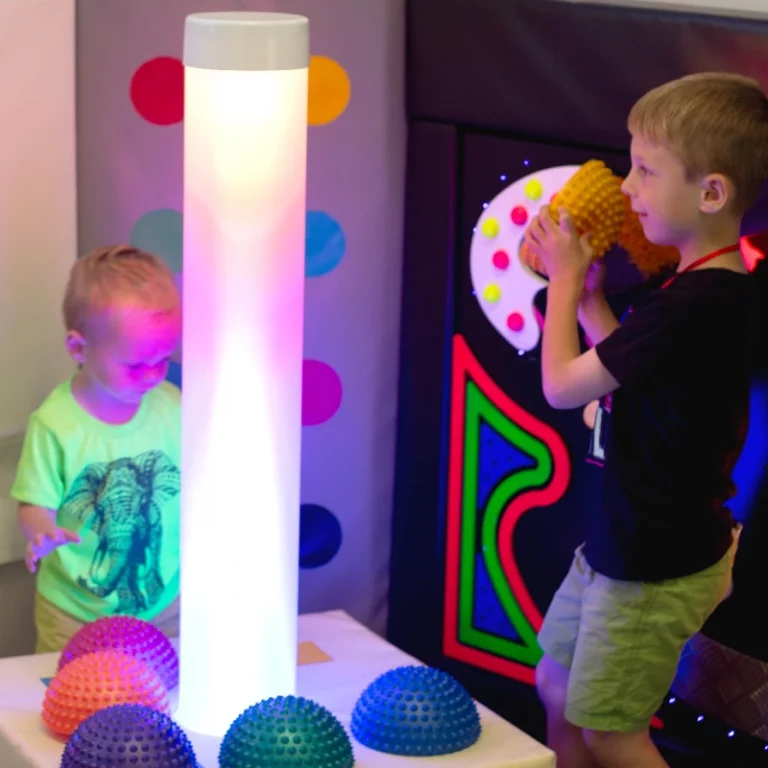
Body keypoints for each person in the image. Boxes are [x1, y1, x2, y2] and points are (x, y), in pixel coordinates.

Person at [522, 72, 768, 768]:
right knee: (555, 683)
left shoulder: (697, 303)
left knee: (612, 731)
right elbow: (632, 374)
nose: (627, 187)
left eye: (645, 170)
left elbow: (566, 387)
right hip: (623, 544)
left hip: (655, 564)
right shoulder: (696, 290)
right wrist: (596, 300)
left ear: (711, 193)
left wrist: (565, 282)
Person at [12, 245, 182, 653]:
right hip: (74, 612)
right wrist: (41, 531)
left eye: (164, 359)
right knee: (72, 703)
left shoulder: (173, 407)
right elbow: (33, 503)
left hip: (165, 603)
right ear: (79, 349)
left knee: (167, 698)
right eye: (137, 364)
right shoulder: (55, 425)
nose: (154, 375)